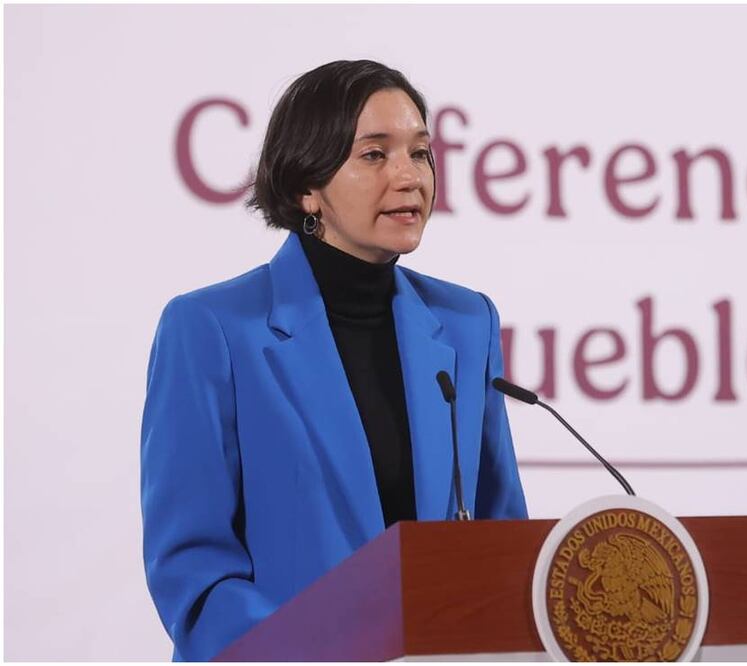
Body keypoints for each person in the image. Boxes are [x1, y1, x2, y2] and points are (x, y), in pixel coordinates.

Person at [140, 60, 528, 662]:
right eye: (375, 155)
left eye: (420, 153)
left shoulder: (466, 322)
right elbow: (193, 571)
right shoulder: (212, 329)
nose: (409, 177)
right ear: (306, 186)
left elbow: (502, 539)